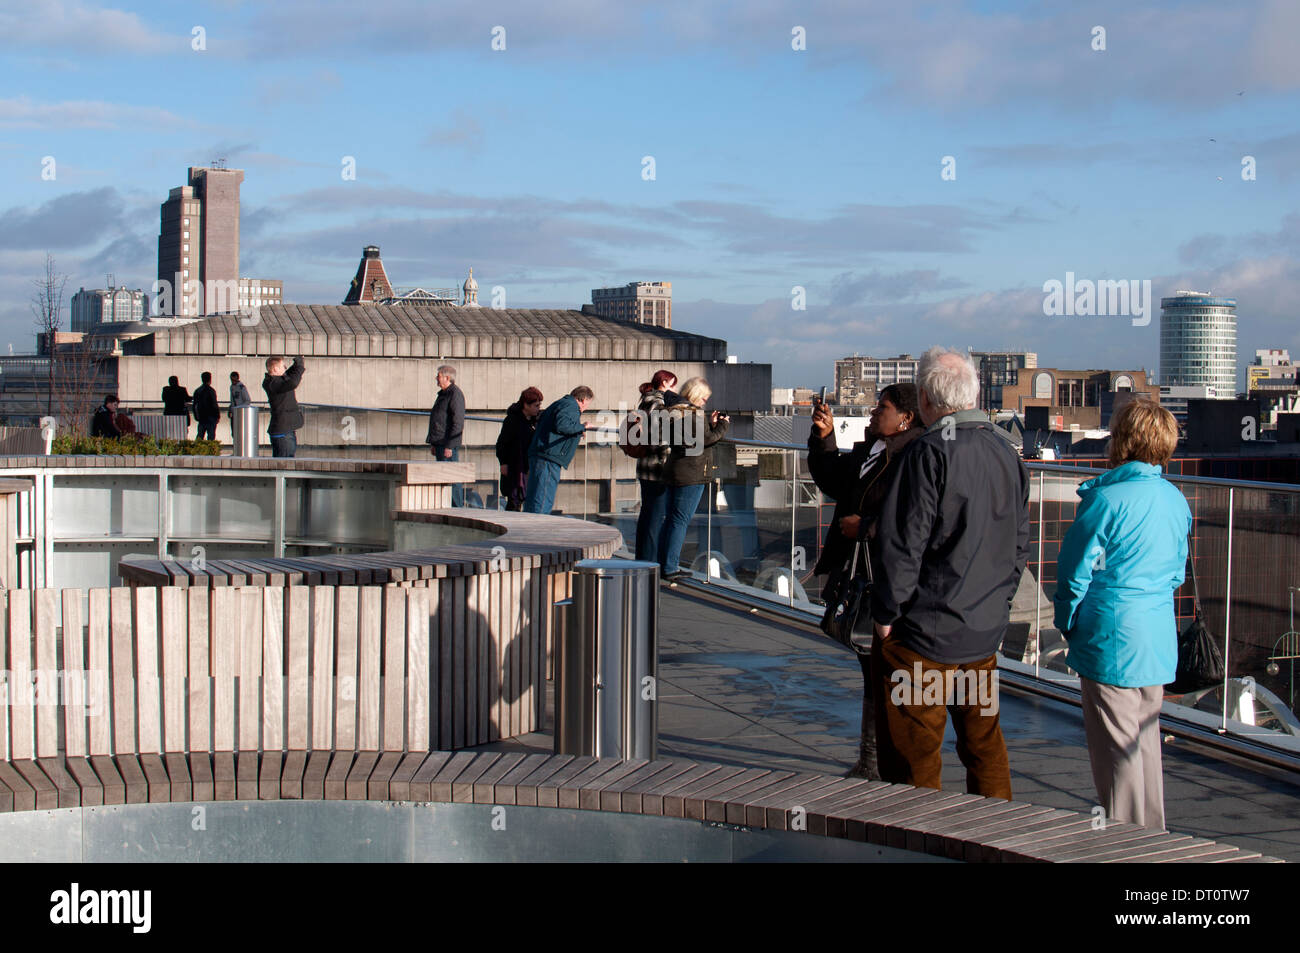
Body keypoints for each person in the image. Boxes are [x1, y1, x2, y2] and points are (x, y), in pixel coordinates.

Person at [869, 347, 1029, 800]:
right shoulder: (1007, 451)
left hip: (922, 636)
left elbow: (903, 545)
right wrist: (998, 606)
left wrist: (886, 614)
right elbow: (1019, 545)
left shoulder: (928, 452)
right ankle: (995, 840)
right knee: (984, 749)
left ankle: (923, 844)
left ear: (924, 398)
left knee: (915, 761)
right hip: (981, 634)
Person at [1054, 399, 1190, 830]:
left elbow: (1075, 575)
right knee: (1145, 742)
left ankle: (1126, 844)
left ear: (1123, 440)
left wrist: (1067, 621)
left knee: (1116, 750)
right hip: (1156, 635)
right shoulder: (1175, 499)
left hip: (1111, 636)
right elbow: (1175, 574)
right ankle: (1153, 835)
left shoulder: (1106, 500)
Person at [807, 383, 924, 779]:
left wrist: (868, 527)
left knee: (884, 671)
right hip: (862, 573)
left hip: (887, 575)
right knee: (871, 666)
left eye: (883, 408)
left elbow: (912, 518)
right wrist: (823, 438)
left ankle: (882, 764)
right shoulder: (871, 449)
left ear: (906, 417)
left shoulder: (913, 455)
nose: (874, 414)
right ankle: (872, 761)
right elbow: (834, 480)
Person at [658, 377, 729, 581]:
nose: (705, 402)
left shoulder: (673, 410)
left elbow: (690, 438)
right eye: (705, 398)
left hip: (674, 469)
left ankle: (661, 562)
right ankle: (670, 567)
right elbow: (704, 440)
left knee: (670, 519)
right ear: (697, 395)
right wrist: (722, 427)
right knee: (679, 521)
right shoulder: (691, 413)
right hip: (691, 473)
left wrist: (709, 424)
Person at [524, 386, 595, 514]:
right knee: (543, 498)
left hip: (541, 454)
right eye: (587, 404)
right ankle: (537, 530)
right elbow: (562, 425)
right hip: (549, 457)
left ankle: (528, 527)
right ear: (583, 400)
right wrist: (582, 427)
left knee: (533, 497)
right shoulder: (571, 406)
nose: (585, 408)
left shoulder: (560, 403)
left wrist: (578, 430)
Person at [633, 370, 678, 562]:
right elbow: (660, 436)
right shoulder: (659, 403)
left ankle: (642, 558)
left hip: (644, 465)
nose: (674, 389)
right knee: (655, 518)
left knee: (647, 515)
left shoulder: (644, 400)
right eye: (673, 384)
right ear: (665, 383)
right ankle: (649, 562)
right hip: (656, 469)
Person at [495, 387, 543, 511]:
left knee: (528, 495)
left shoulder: (536, 420)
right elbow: (502, 443)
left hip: (528, 464)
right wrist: (503, 463)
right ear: (526, 405)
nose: (538, 409)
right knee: (514, 497)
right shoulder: (512, 420)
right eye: (536, 406)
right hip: (515, 463)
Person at [425, 364, 467, 506]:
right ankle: (447, 505)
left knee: (452, 478)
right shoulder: (444, 394)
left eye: (439, 376)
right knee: (443, 477)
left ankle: (456, 507)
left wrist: (450, 445)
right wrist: (433, 443)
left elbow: (457, 422)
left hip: (447, 445)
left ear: (447, 377)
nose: (436, 378)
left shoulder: (455, 394)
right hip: (440, 443)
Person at [263, 355, 305, 458]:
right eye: (283, 366)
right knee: (285, 463)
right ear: (276, 369)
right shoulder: (273, 383)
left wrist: (296, 365)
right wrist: (299, 366)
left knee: (284, 461)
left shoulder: (274, 381)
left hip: (285, 429)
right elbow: (293, 382)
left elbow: (288, 375)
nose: (285, 368)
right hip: (283, 432)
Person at [193, 371, 220, 441]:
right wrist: (217, 416)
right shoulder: (211, 390)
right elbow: (214, 404)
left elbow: (195, 405)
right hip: (211, 417)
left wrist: (196, 416)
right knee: (211, 436)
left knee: (200, 435)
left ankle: (197, 450)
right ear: (210, 380)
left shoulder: (197, 391)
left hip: (202, 417)